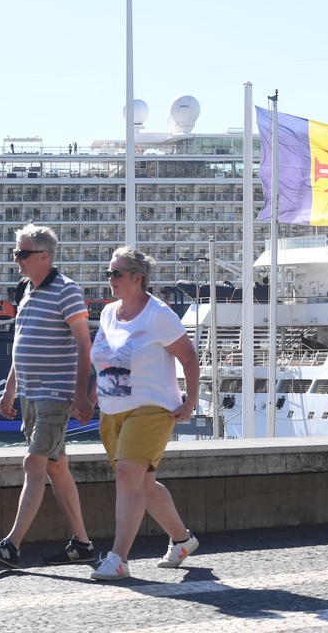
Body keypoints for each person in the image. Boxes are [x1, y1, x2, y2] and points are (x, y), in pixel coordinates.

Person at [0, 224, 96, 569]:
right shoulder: (25, 290)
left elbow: (83, 344)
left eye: (22, 253)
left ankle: (11, 546)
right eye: (16, 252)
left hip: (54, 395)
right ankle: (83, 544)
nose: (16, 259)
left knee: (34, 463)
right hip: (30, 394)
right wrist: (9, 389)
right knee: (57, 469)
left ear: (44, 256)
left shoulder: (67, 290)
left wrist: (81, 396)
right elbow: (22, 344)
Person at [88, 247, 201, 581]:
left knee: (127, 475)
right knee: (144, 483)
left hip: (151, 408)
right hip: (112, 412)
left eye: (117, 273)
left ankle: (118, 559)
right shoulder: (109, 313)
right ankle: (182, 540)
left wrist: (190, 400)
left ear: (138, 278)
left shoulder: (158, 314)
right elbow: (104, 359)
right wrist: (88, 397)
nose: (110, 279)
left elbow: (189, 358)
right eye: (109, 273)